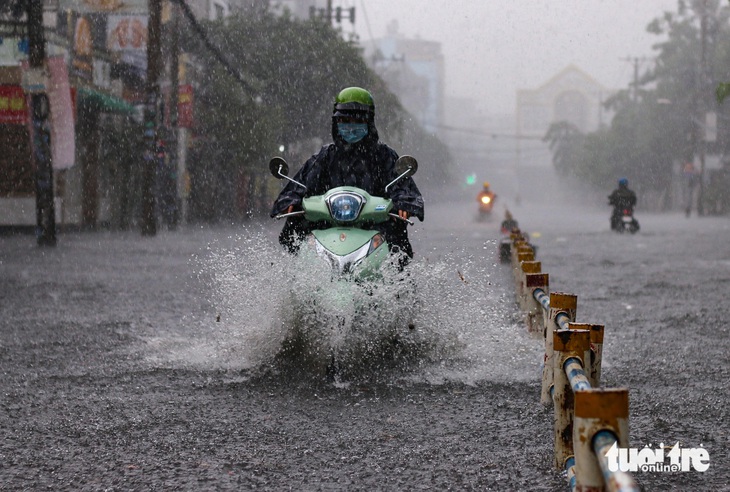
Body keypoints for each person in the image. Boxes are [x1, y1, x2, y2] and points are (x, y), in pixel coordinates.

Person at [270, 87, 424, 261]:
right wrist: (291, 200)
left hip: (375, 226)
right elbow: (300, 184)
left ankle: (401, 285)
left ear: (369, 122)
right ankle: (296, 276)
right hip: (328, 224)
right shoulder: (325, 156)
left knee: (399, 244)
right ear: (336, 123)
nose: (350, 125)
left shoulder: (385, 156)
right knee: (294, 229)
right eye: (344, 120)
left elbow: (402, 187)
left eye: (357, 120)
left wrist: (404, 203)